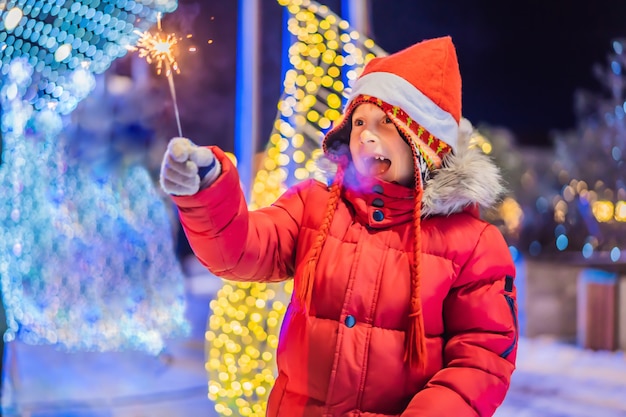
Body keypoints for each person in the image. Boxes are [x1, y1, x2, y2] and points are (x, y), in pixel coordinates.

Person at [159, 36, 518, 417]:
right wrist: (208, 188)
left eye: (385, 122)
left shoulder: (475, 245)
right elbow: (239, 250)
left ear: (424, 141)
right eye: (359, 121)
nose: (365, 134)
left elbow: (481, 360)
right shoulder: (313, 205)